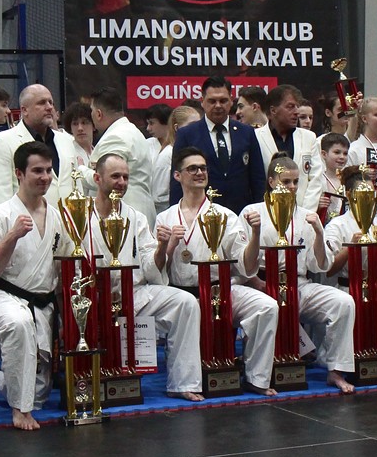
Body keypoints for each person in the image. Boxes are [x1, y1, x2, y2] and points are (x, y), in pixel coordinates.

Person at [154, 147, 280, 394]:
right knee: (184, 306)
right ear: (177, 175)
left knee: (266, 306)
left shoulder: (226, 216)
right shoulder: (165, 218)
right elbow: (156, 271)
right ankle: (183, 384)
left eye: (203, 168)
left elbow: (246, 265)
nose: (199, 173)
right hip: (182, 294)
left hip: (221, 291)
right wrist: (168, 246)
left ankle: (257, 378)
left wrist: (255, 234)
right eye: (192, 168)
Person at [83, 154, 205, 399]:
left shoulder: (135, 217)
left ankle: (183, 383)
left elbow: (151, 267)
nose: (122, 182)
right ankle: (84, 383)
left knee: (185, 302)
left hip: (134, 295)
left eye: (126, 177)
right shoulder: (80, 215)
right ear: (97, 178)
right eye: (115, 176)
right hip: (93, 299)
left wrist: (162, 247)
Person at [241, 156, 357, 392]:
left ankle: (336, 371)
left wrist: (319, 233)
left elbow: (320, 265)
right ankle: (258, 377)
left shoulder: (305, 216)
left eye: (296, 182)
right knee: (265, 306)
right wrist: (256, 282)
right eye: (286, 181)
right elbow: (240, 261)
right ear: (271, 181)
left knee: (343, 302)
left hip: (300, 284)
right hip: (262, 284)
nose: (292, 187)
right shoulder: (252, 212)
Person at [0, 143, 71, 430]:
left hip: (43, 303)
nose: (45, 177)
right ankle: (19, 410)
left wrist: (66, 316)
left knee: (38, 394)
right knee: (19, 323)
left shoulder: (57, 216)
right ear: (19, 173)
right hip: (5, 297)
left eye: (49, 170)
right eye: (37, 171)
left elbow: (63, 268)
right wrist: (12, 236)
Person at [168, 79, 265, 215]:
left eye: (223, 101)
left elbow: (258, 178)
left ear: (231, 101)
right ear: (202, 101)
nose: (218, 105)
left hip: (242, 213)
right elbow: (177, 180)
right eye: (212, 101)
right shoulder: (187, 134)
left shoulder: (246, 132)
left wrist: (260, 211)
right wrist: (177, 215)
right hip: (200, 214)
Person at [0, 84, 80, 211]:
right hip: (26, 220)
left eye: (51, 102)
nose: (49, 107)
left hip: (69, 220)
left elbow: (77, 186)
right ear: (24, 110)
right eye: (42, 103)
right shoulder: (3, 142)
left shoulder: (67, 140)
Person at [87, 88, 157, 223]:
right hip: (137, 209)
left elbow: (107, 180)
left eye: (91, 111)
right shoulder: (132, 131)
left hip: (125, 215)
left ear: (99, 114)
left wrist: (80, 170)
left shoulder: (115, 137)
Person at [252, 85, 322, 211]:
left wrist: (305, 213)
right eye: (290, 107)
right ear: (273, 110)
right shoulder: (255, 137)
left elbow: (315, 179)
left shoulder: (309, 137)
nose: (296, 112)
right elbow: (255, 181)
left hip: (302, 211)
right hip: (267, 212)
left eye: (297, 106)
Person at [153, 104, 200, 216]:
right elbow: (159, 195)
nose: (197, 130)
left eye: (199, 125)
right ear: (177, 128)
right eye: (192, 125)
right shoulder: (168, 154)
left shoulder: (191, 153)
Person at [63, 102, 96, 170]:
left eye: (84, 123)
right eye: (75, 124)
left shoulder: (99, 152)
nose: (80, 128)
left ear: (94, 126)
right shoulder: (68, 154)